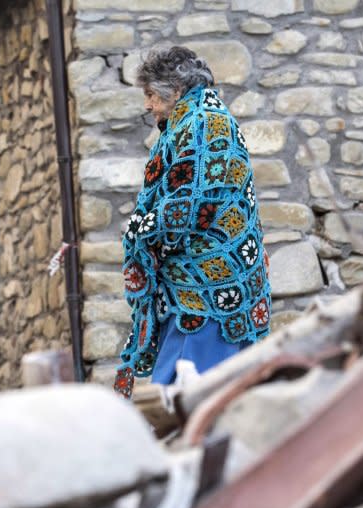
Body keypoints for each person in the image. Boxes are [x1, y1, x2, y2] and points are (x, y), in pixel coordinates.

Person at [113, 46, 271, 398]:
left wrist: (141, 231)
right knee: (205, 394)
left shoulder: (204, 123)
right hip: (199, 285)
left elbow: (194, 203)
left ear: (177, 91)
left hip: (209, 289)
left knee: (188, 397)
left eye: (151, 95)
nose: (147, 105)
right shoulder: (191, 121)